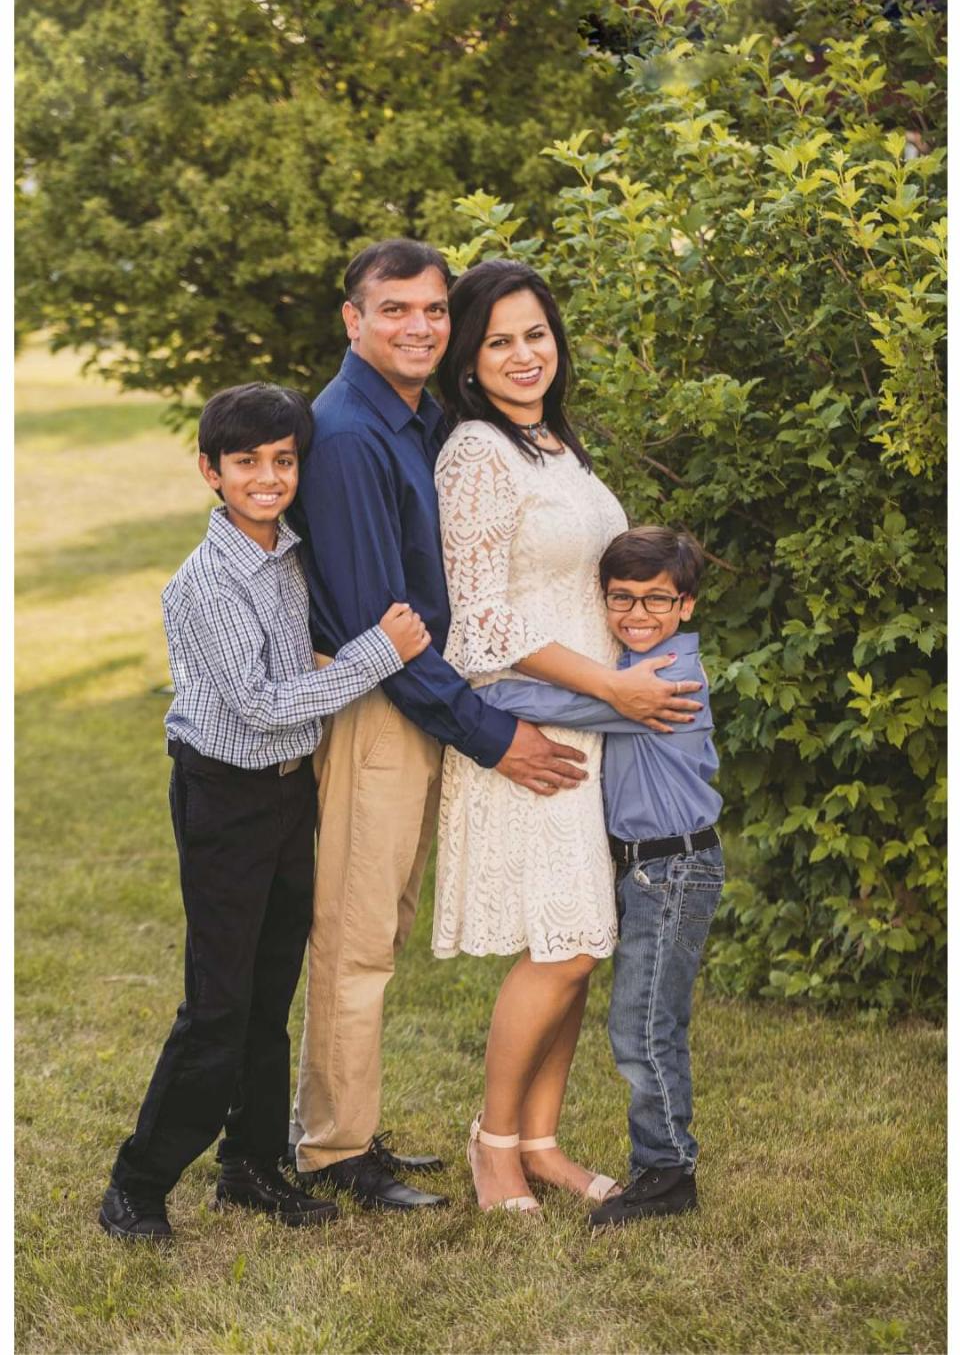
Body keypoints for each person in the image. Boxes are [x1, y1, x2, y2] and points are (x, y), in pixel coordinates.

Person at [286, 240, 699, 1212]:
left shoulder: (430, 419)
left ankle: (516, 1140)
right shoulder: (356, 432)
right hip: (413, 705)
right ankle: (355, 1150)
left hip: (521, 710)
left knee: (558, 936)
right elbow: (425, 614)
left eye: (435, 310)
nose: (421, 327)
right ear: (354, 319)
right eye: (399, 311)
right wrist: (496, 730)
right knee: (370, 933)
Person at [99, 382, 430, 1241]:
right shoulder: (203, 583)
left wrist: (330, 660)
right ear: (211, 471)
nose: (269, 477)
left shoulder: (287, 550)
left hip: (289, 793)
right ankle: (138, 1182)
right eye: (247, 463)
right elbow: (262, 705)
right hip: (226, 798)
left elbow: (294, 675)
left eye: (284, 461)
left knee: (270, 990)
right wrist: (373, 655)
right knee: (218, 1003)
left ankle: (250, 1166)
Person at [432, 260, 704, 1214]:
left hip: (599, 725)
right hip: (538, 722)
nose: (523, 354)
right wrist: (609, 685)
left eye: (536, 333)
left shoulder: (554, 445)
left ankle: (541, 1141)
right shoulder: (474, 453)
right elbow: (477, 624)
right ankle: (493, 1143)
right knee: (566, 942)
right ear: (468, 358)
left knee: (581, 940)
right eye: (499, 339)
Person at [474, 526, 723, 1228]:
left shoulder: (668, 680)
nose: (637, 615)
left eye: (657, 601)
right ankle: (659, 1164)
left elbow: (545, 704)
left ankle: (666, 1173)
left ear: (687, 606)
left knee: (646, 1028)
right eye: (622, 599)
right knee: (640, 1022)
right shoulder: (628, 667)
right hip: (652, 867)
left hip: (675, 867)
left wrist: (483, 692)